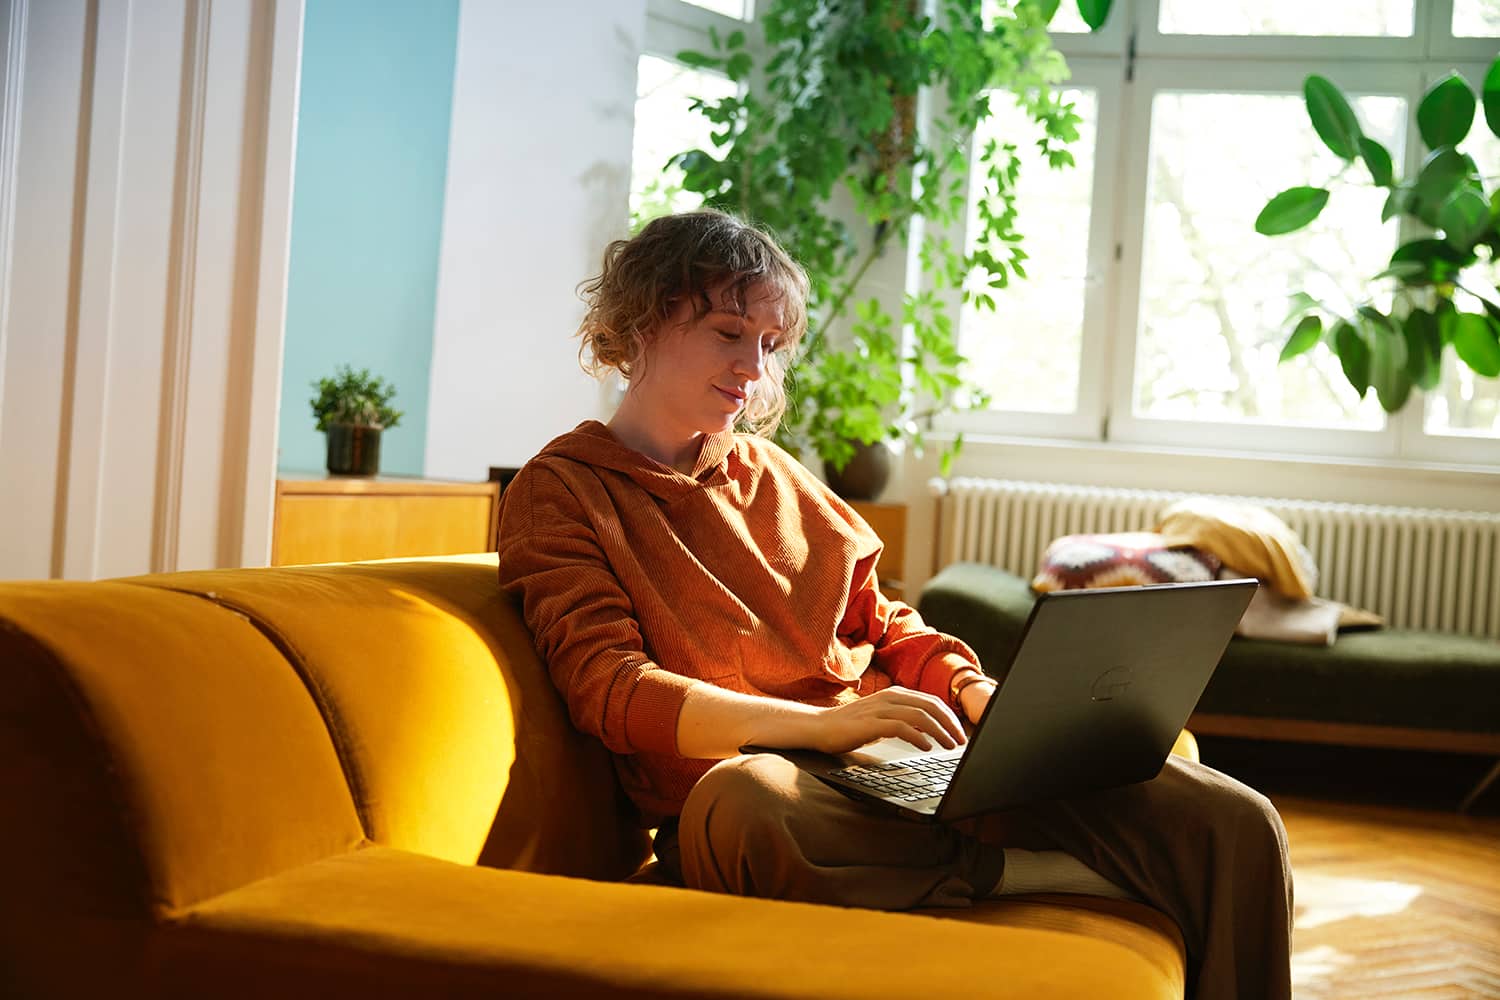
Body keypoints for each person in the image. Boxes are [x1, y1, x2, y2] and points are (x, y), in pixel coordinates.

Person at [496, 209, 1293, 999]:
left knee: (1241, 823)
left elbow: (884, 620)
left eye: (770, 346)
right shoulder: (562, 492)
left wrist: (974, 691)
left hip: (907, 767)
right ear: (640, 321)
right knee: (735, 810)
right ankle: (1029, 872)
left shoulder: (775, 475)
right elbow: (612, 689)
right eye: (729, 332)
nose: (753, 368)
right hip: (789, 791)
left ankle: (999, 848)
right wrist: (820, 727)